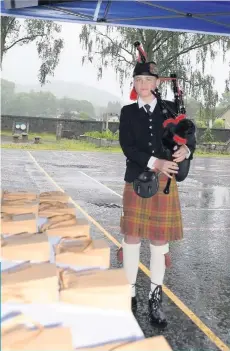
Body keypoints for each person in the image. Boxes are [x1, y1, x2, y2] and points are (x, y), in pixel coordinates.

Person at [119, 59, 196, 328]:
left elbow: (189, 137)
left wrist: (186, 151)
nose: (143, 85)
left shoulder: (171, 109)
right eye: (138, 80)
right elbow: (127, 147)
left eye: (148, 81)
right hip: (137, 178)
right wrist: (156, 161)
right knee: (131, 237)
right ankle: (129, 292)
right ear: (134, 84)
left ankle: (155, 297)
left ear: (156, 84)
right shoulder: (128, 112)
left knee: (159, 240)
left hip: (164, 182)